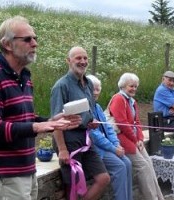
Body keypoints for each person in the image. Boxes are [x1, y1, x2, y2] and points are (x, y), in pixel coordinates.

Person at [0, 16, 79, 200]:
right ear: (7, 44)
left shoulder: (24, 76)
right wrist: (37, 127)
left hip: (26, 168)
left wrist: (51, 122)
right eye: (27, 39)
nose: (34, 43)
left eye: (35, 38)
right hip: (5, 174)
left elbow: (22, 118)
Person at [50, 46, 110, 200]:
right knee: (74, 188)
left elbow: (87, 112)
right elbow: (55, 121)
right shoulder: (61, 86)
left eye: (85, 58)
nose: (83, 61)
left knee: (103, 178)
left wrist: (91, 121)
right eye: (78, 58)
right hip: (67, 140)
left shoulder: (89, 83)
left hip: (85, 137)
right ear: (68, 61)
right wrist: (62, 149)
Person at [109, 73, 163, 199]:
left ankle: (159, 196)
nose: (134, 89)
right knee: (143, 167)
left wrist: (139, 138)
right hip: (122, 139)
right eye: (131, 86)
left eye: (135, 86)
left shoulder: (132, 101)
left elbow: (137, 122)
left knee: (149, 163)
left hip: (133, 139)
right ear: (123, 86)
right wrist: (134, 139)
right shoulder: (118, 99)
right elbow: (122, 124)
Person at [86, 75, 132, 200]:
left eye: (98, 89)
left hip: (109, 146)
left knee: (127, 162)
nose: (95, 92)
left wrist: (116, 144)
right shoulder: (86, 109)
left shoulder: (98, 107)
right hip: (97, 149)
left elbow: (109, 129)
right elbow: (94, 135)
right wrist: (113, 148)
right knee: (120, 166)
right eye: (92, 89)